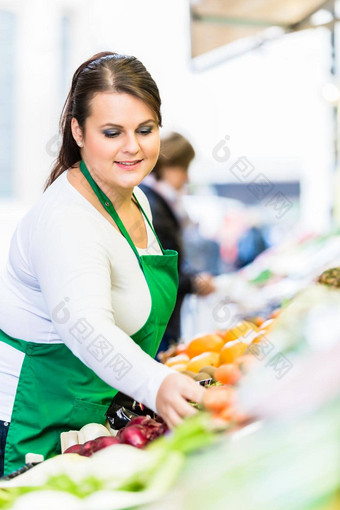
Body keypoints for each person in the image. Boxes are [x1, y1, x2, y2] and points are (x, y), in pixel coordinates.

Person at [0, 51, 205, 477]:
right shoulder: (67, 221)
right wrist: (158, 383)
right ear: (78, 130)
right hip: (31, 418)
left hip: (93, 409)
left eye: (145, 130)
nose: (132, 147)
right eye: (112, 132)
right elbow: (87, 328)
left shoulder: (137, 199)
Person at [140, 132, 215, 352]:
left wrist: (194, 278)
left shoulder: (158, 202)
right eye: (183, 168)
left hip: (162, 322)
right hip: (157, 326)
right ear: (167, 164)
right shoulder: (154, 207)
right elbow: (157, 272)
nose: (186, 178)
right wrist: (193, 283)